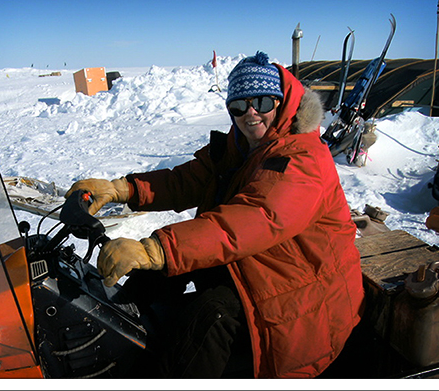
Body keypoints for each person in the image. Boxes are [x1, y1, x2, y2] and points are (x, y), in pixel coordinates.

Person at [65, 51, 365, 379]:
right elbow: (188, 179)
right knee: (152, 280)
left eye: (262, 103)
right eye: (239, 106)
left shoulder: (302, 160)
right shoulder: (243, 146)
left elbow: (253, 219)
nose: (251, 114)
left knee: (210, 317)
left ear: (280, 104)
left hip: (303, 292)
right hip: (260, 263)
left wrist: (157, 249)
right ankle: (123, 356)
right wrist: (123, 189)